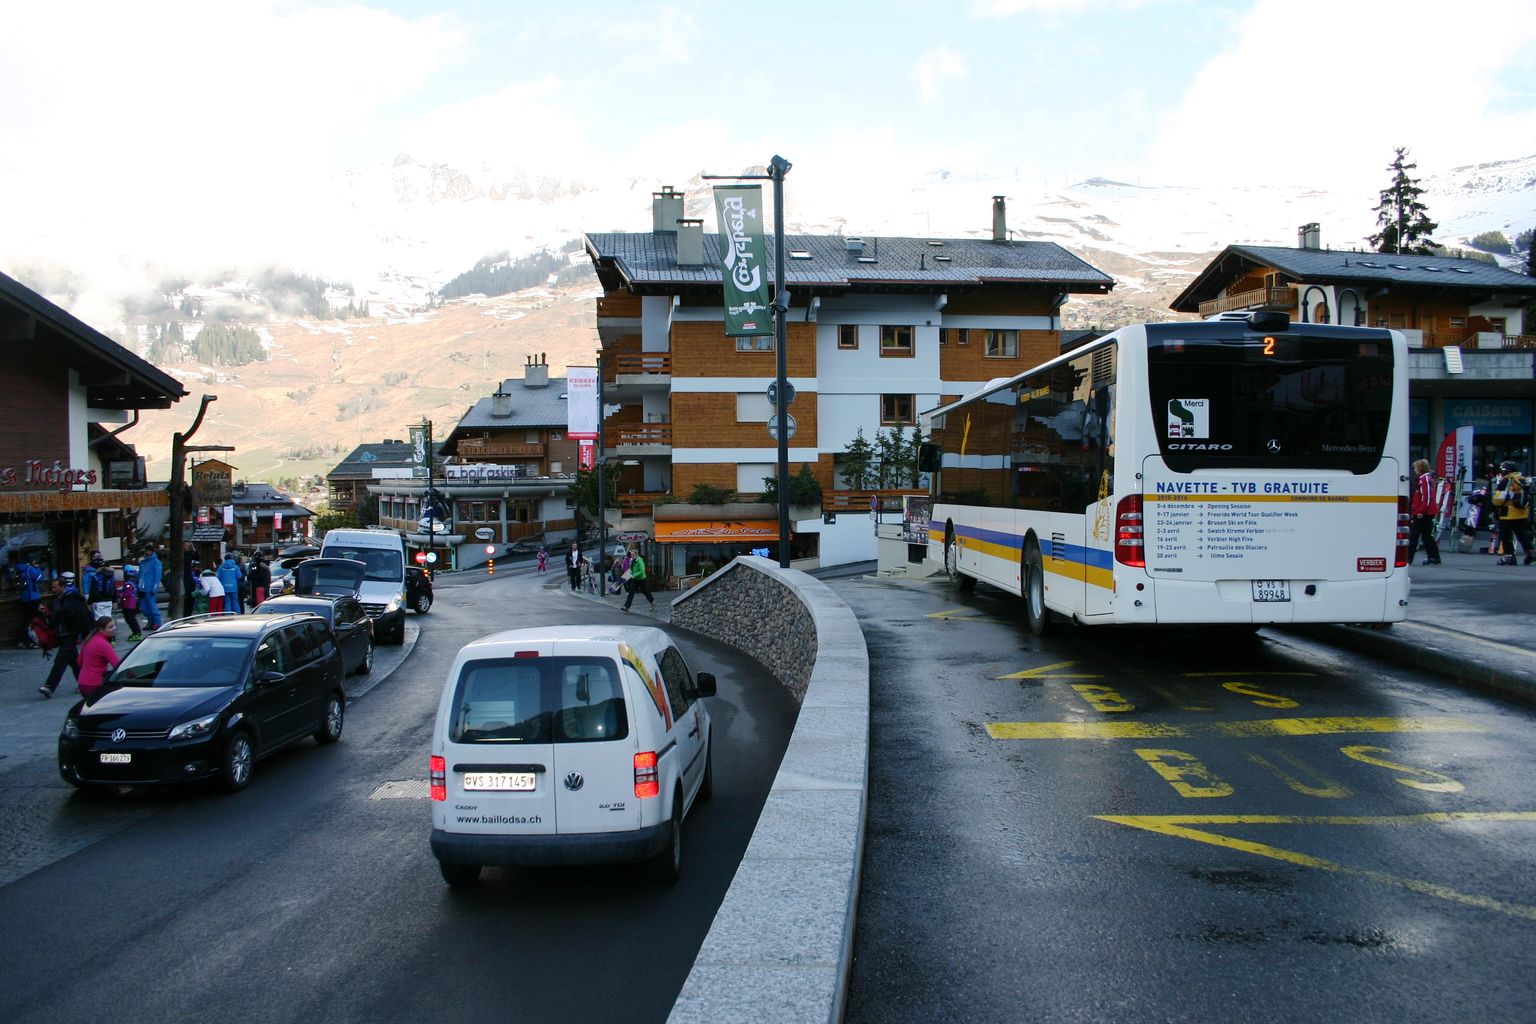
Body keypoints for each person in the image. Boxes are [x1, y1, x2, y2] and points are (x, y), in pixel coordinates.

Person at [40, 573, 91, 698]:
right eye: (52, 587)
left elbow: (66, 613)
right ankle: (84, 683)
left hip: (70, 633)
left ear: (62, 586)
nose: (53, 590)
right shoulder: (57, 599)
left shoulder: (70, 598)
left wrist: (53, 623)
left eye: (55, 587)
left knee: (61, 660)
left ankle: (49, 686)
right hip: (62, 633)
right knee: (73, 660)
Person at [1491, 460, 1533, 566]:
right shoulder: (1522, 478)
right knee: (1522, 535)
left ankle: (1509, 557)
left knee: (1506, 536)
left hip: (1507, 514)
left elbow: (1497, 499)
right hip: (1522, 514)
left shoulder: (1506, 481)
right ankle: (1530, 552)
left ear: (1505, 470)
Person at [75, 615, 122, 703]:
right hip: (95, 685)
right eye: (110, 627)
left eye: (114, 625)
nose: (114, 628)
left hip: (82, 684)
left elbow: (79, 661)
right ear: (101, 629)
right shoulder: (104, 644)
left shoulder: (88, 640)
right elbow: (118, 666)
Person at [1408, 459, 1443, 565]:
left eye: (1415, 467)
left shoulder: (1425, 479)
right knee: (1426, 535)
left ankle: (1409, 558)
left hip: (1424, 512)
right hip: (1426, 512)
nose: (1414, 470)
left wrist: (1420, 511)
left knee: (1414, 535)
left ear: (1420, 468)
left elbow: (1426, 497)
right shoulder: (1425, 478)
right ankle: (1434, 557)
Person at [15, 555, 44, 648]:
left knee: (26, 620)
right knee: (35, 619)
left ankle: (21, 640)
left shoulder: (19, 569)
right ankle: (33, 640)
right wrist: (38, 568)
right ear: (31, 561)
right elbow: (40, 578)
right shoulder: (30, 569)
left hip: (24, 597)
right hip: (33, 597)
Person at [83, 551, 116, 622]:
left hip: (97, 599)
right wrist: (114, 600)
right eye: (96, 557)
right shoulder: (109, 573)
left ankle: (102, 632)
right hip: (107, 599)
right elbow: (113, 587)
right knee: (107, 619)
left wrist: (88, 600)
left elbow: (90, 586)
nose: (98, 558)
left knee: (99, 620)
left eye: (100, 556)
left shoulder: (93, 574)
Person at [138, 545, 164, 632]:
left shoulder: (157, 562)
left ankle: (157, 623)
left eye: (149, 551)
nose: (147, 552)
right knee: (144, 608)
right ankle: (150, 622)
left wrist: (154, 588)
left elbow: (157, 577)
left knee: (152, 607)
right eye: (146, 550)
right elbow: (140, 576)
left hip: (150, 588)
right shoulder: (143, 562)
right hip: (142, 589)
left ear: (152, 551)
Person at [621, 546, 654, 612]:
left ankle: (652, 601)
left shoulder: (640, 561)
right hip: (635, 579)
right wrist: (627, 575)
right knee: (631, 592)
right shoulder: (632, 561)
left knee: (645, 592)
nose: (632, 556)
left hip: (642, 579)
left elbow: (642, 571)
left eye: (633, 554)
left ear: (636, 554)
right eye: (631, 554)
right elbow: (631, 569)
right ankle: (626, 607)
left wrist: (634, 575)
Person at [119, 564, 143, 641]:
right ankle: (136, 632)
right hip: (131, 604)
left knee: (131, 619)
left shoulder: (129, 583)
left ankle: (137, 633)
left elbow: (127, 593)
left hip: (129, 605)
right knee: (130, 619)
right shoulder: (134, 582)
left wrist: (120, 594)